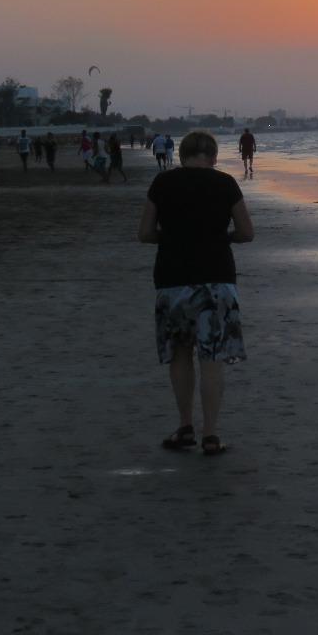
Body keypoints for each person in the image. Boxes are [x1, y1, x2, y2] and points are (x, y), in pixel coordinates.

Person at [137, 130, 254, 456]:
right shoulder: (225, 183)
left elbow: (144, 233)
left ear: (182, 154)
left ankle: (185, 425)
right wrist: (223, 238)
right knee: (212, 358)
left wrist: (171, 238)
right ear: (214, 157)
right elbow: (247, 232)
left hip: (173, 281)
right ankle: (211, 435)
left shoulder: (162, 184)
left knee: (180, 354)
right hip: (216, 281)